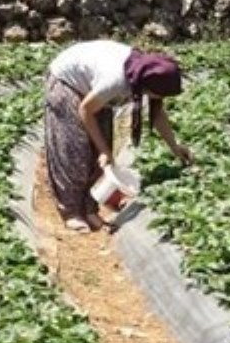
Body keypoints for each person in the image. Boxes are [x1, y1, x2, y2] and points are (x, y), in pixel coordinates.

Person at [44, 40, 193, 232]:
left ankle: (90, 208)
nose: (160, 98)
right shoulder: (116, 80)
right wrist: (103, 150)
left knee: (103, 150)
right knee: (74, 148)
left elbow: (158, 115)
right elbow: (85, 110)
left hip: (94, 87)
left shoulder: (143, 74)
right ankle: (71, 211)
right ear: (148, 86)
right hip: (67, 82)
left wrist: (175, 147)